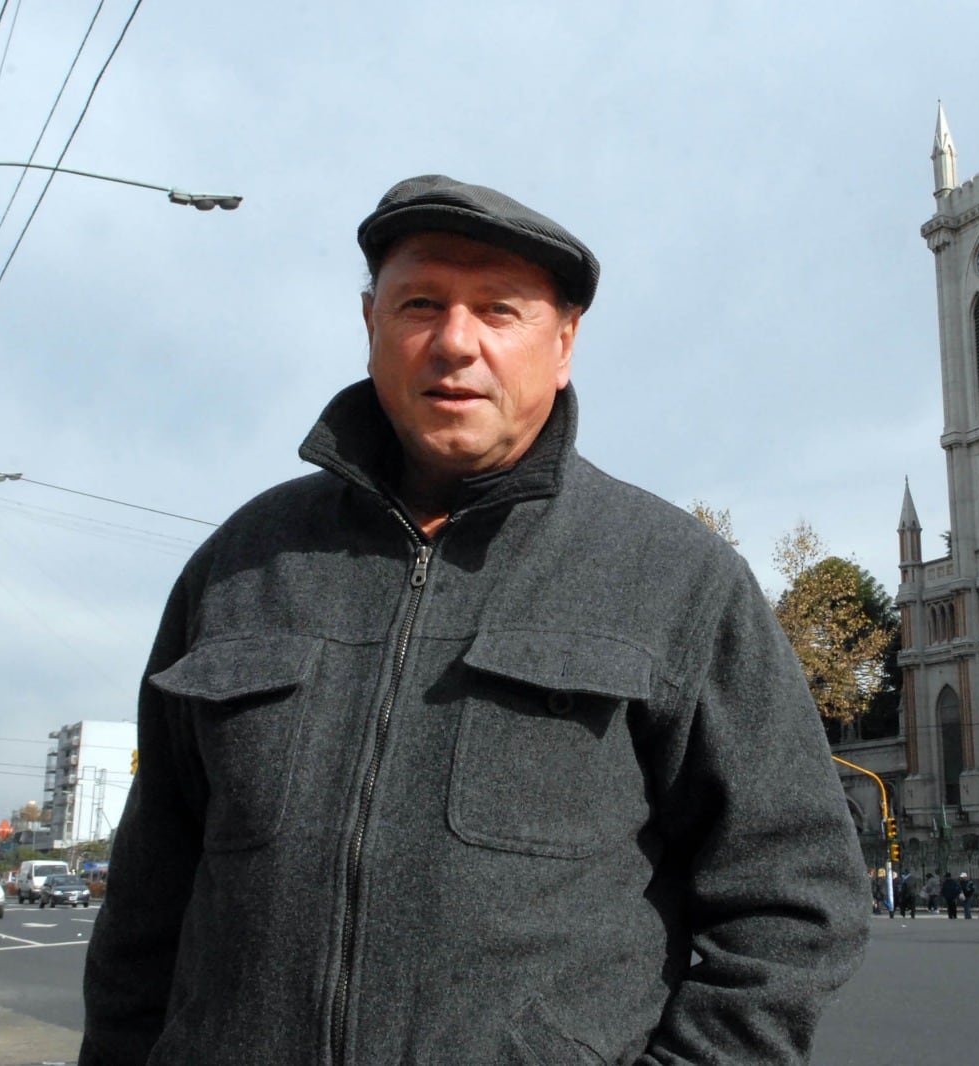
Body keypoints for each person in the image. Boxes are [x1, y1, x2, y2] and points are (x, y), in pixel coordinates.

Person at [79, 175, 871, 1064]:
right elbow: (147, 899)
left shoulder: (676, 578)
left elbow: (796, 893)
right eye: (421, 303)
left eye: (499, 310)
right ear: (371, 322)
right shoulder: (241, 565)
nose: (455, 342)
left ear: (564, 343)